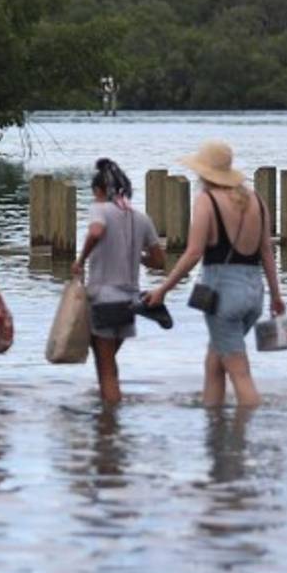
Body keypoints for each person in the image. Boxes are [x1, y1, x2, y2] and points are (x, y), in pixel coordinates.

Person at [144, 140, 286, 408]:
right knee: (214, 361)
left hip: (223, 297)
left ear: (203, 173)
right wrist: (277, 297)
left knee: (240, 372)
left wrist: (162, 290)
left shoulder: (206, 201)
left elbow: (193, 253)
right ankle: (215, 422)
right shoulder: (256, 200)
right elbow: (267, 251)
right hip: (254, 295)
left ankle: (245, 435)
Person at [71, 158, 167, 404]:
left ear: (99, 191)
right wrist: (137, 256)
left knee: (106, 370)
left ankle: (108, 425)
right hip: (129, 303)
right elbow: (159, 261)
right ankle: (109, 418)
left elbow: (96, 231)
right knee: (109, 363)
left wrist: (81, 261)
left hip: (103, 299)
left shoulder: (99, 209)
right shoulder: (141, 218)